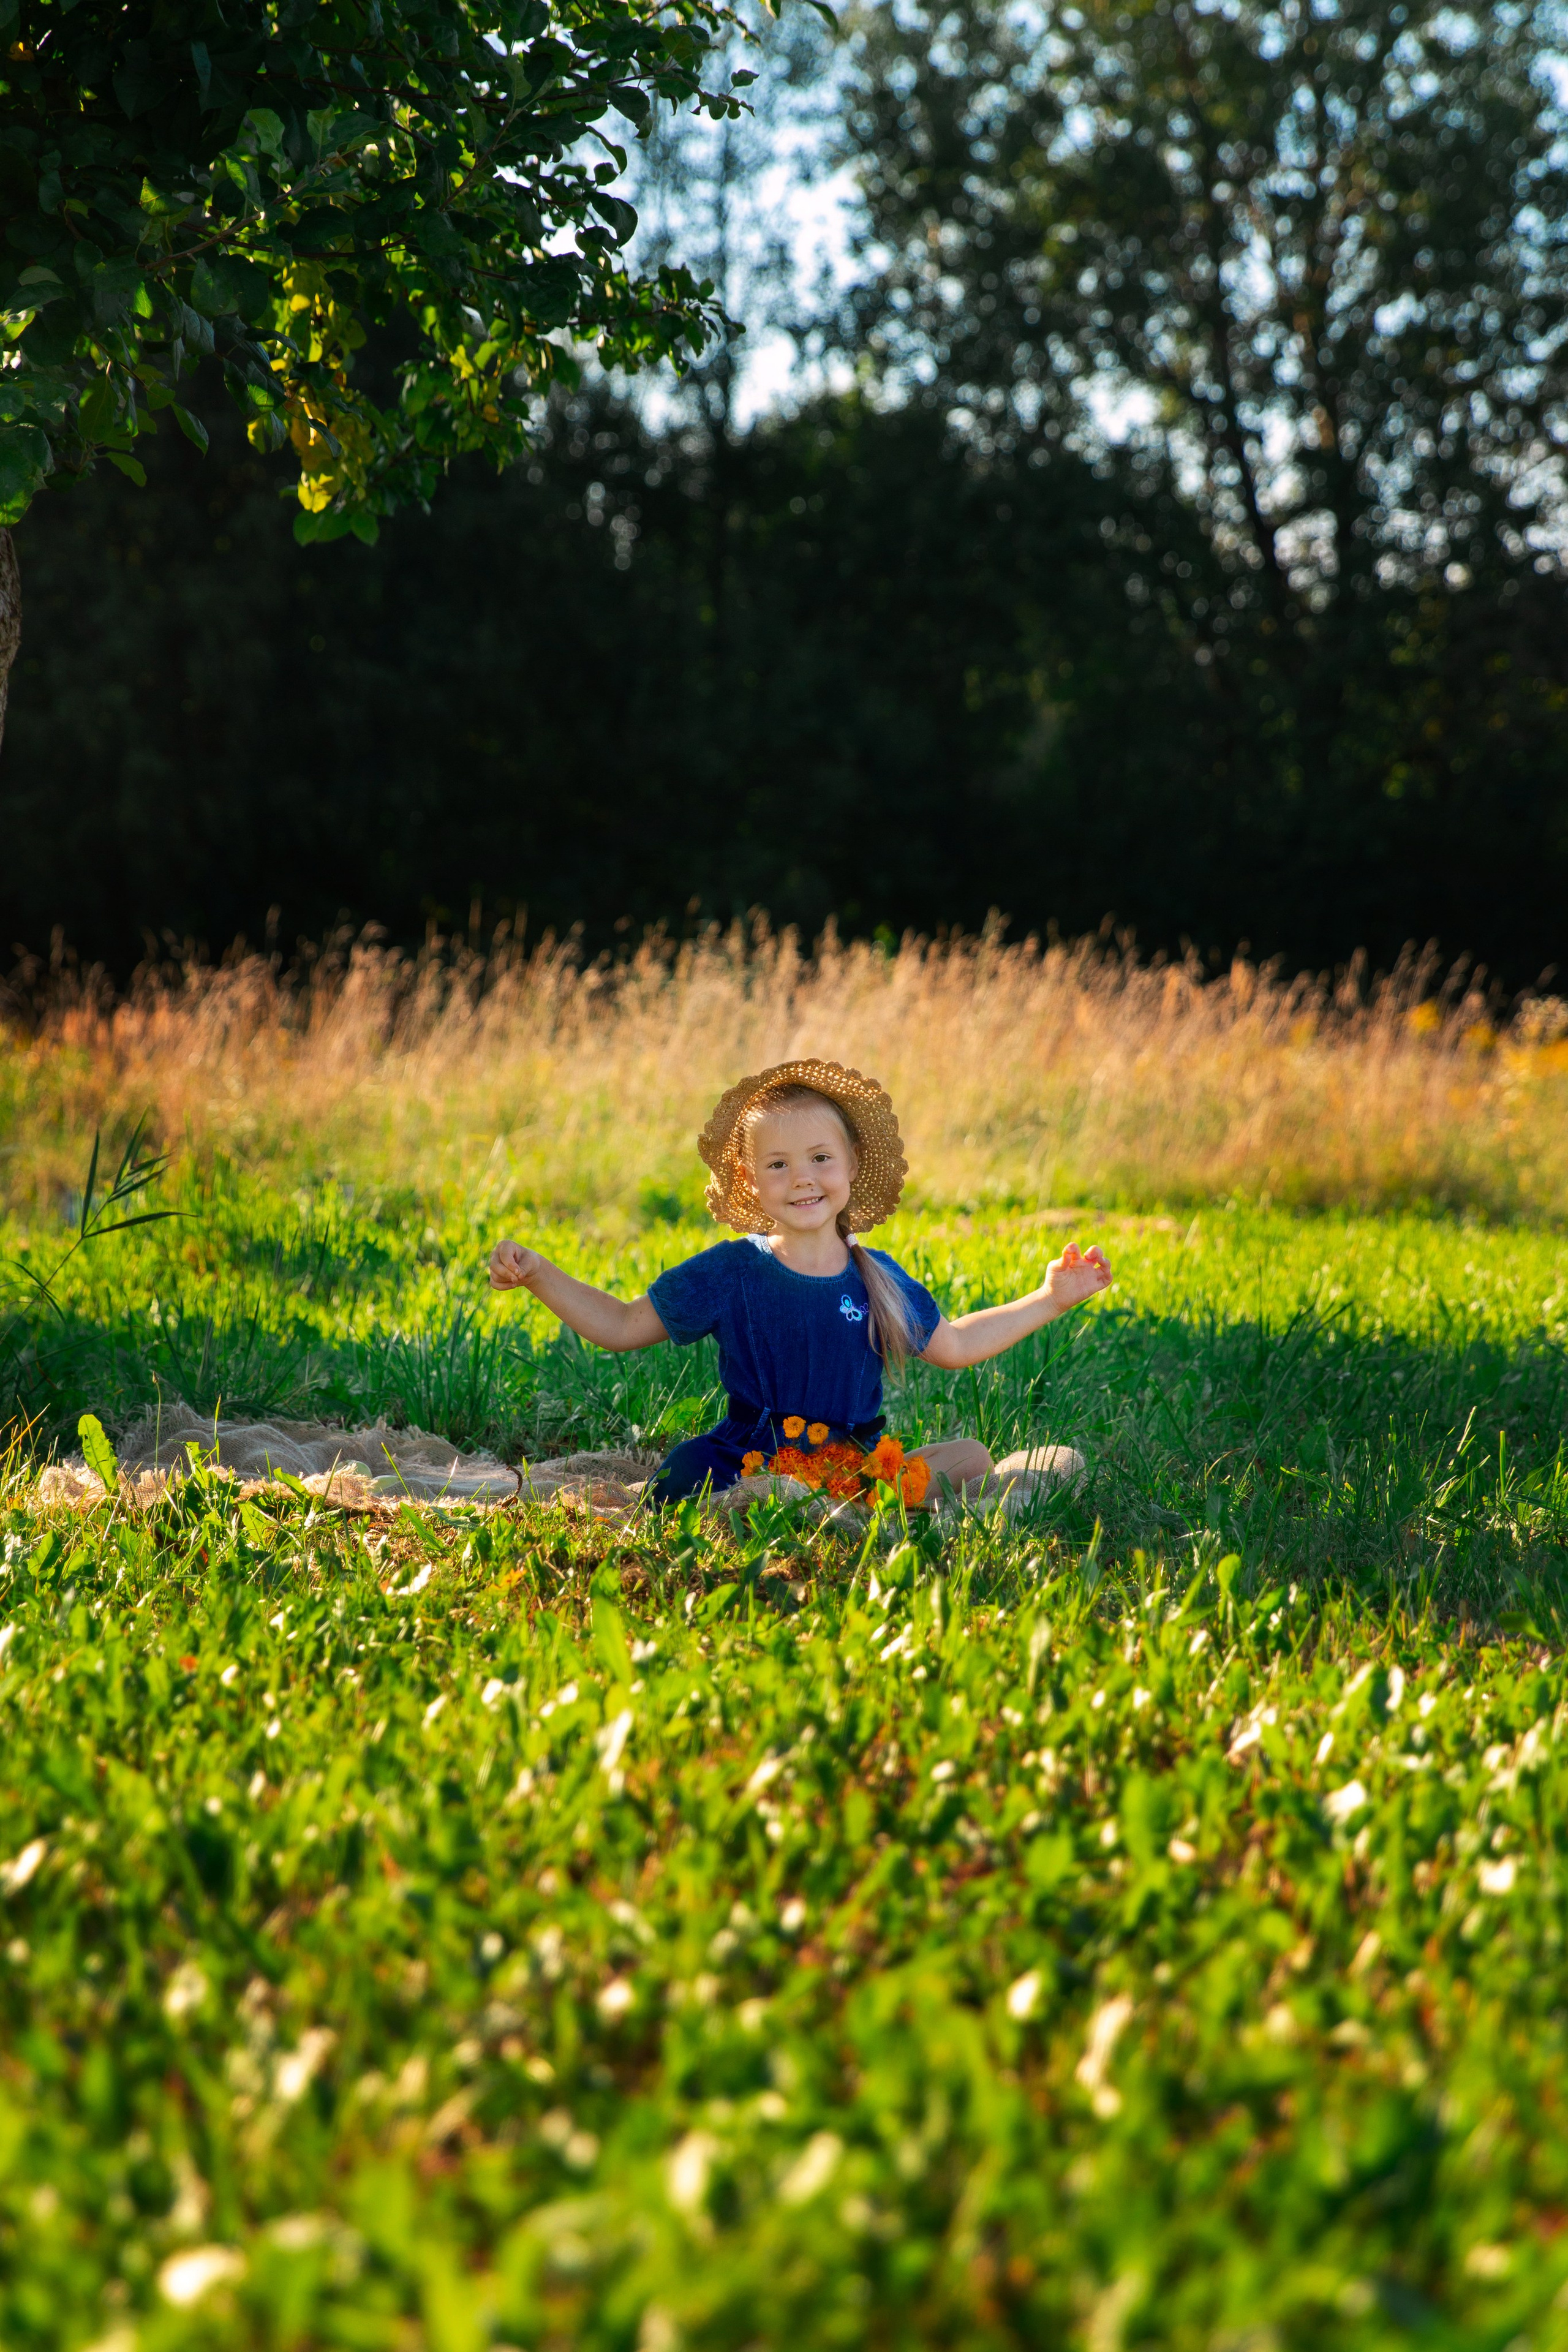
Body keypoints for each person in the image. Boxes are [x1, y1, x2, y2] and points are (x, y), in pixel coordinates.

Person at [488, 1058, 1112, 1510]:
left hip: (853, 1462)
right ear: (750, 1180)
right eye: (778, 1165)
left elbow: (955, 1345)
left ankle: (857, 1500)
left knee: (972, 1455)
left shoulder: (876, 1276)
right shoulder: (732, 1271)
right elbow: (620, 1326)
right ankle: (810, 1505)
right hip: (750, 1456)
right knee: (682, 1477)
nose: (802, 1179)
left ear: (851, 1165)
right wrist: (539, 1274)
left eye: (819, 1158)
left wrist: (1050, 1297)